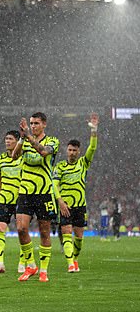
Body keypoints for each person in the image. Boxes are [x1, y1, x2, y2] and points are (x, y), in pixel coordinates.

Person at [11, 112, 60, 283]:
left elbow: (44, 152)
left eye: (36, 123)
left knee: (44, 232)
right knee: (21, 229)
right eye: (31, 123)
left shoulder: (53, 141)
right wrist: (21, 139)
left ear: (44, 124)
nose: (33, 126)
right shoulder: (25, 141)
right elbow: (14, 156)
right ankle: (31, 265)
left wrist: (29, 137)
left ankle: (44, 271)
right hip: (25, 192)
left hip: (44, 192)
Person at [53, 113, 98, 273]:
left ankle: (75, 259)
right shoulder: (60, 167)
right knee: (66, 233)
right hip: (65, 206)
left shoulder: (83, 163)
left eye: (74, 150)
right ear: (67, 150)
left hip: (80, 206)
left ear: (79, 151)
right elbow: (54, 184)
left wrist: (94, 130)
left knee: (78, 238)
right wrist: (60, 201)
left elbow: (92, 148)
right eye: (69, 150)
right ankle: (70, 263)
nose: (71, 152)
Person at [0, 130, 26, 274]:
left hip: (20, 198)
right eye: (6, 139)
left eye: (10, 139)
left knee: (22, 231)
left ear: (17, 141)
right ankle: (0, 263)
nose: (7, 141)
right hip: (5, 199)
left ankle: (22, 264)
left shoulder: (23, 157)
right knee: (0, 229)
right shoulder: (1, 159)